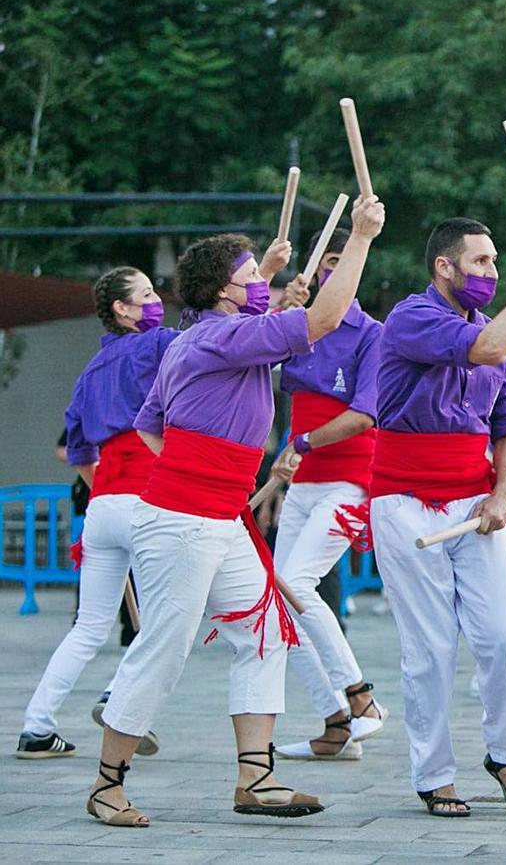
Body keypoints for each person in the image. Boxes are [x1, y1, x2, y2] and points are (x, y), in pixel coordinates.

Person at [88, 197, 384, 828]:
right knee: (164, 648)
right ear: (223, 291)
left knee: (266, 631)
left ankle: (257, 776)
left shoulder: (205, 339)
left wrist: (211, 470)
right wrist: (359, 237)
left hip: (216, 515)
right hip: (183, 517)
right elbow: (323, 317)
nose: (263, 288)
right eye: (250, 279)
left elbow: (149, 429)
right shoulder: (221, 338)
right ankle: (106, 784)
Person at [369, 217, 506, 819]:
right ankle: (434, 774)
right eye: (482, 262)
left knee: (505, 634)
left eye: (495, 262)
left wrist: (503, 496)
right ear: (445, 265)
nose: (492, 272)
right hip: (405, 499)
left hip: (473, 500)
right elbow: (487, 350)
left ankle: (505, 755)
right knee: (431, 648)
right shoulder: (412, 317)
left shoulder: (496, 331)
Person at [18, 267, 177, 760]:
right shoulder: (158, 345)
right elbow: (218, 341)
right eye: (146, 295)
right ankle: (117, 696)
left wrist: (111, 492)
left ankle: (37, 727)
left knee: (89, 627)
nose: (156, 301)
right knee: (167, 620)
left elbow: (80, 453)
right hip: (148, 500)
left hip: (103, 504)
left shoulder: (91, 370)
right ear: (122, 309)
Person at [267, 229, 389, 762]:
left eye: (343, 261)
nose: (332, 272)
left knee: (296, 583)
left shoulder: (374, 333)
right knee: (276, 602)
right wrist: (275, 309)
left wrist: (301, 441)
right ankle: (334, 720)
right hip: (301, 480)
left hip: (351, 478)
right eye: (326, 263)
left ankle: (362, 698)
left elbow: (365, 414)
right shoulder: (298, 326)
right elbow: (248, 363)